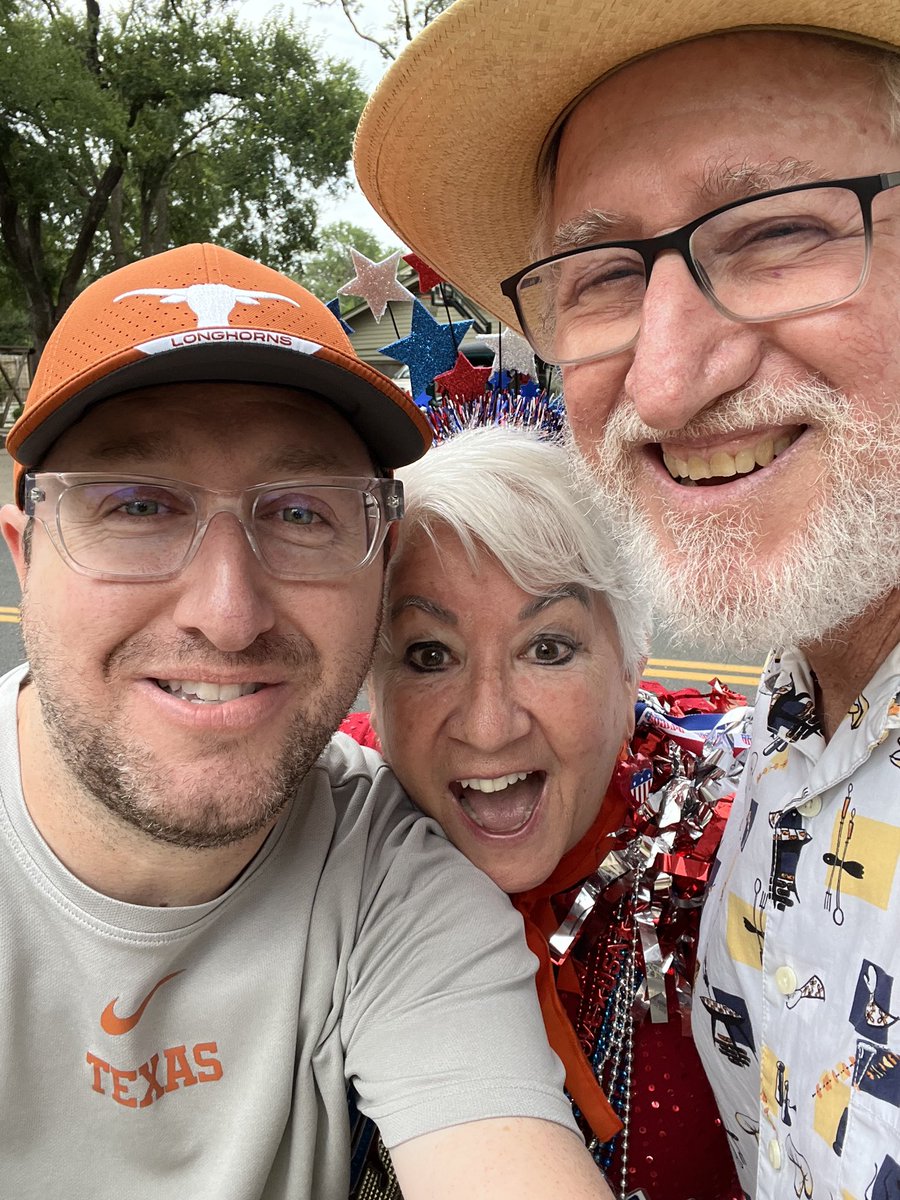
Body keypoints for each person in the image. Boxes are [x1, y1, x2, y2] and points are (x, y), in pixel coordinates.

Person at [354, 4, 900, 1196]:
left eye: (777, 232)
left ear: (631, 655)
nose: (663, 377)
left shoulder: (686, 858)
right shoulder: (780, 754)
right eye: (603, 275)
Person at [0, 242, 617, 1200]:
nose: (227, 611)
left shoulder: (398, 885)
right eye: (137, 505)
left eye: (300, 514)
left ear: (377, 567)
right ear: (25, 553)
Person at [345, 424, 747, 1200]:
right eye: (430, 655)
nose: (489, 725)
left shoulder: (737, 869)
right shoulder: (320, 830)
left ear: (633, 663)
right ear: (371, 687)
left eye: (549, 649)